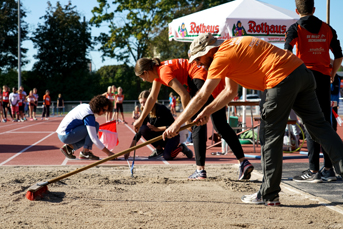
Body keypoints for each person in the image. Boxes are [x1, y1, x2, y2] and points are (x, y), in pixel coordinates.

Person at [162, 33, 343, 206]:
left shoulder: (219, 58)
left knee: (269, 136)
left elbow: (202, 96)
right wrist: (207, 111)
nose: (199, 64)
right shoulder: (232, 47)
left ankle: (268, 194)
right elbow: (229, 92)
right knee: (320, 127)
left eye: (198, 59)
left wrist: (177, 124)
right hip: (301, 72)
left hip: (280, 79)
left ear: (208, 51)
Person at [134, 58, 253, 180]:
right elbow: (152, 98)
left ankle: (200, 170)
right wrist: (140, 119)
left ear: (146, 72)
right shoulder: (158, 73)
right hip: (208, 76)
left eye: (141, 77)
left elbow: (184, 94)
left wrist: (188, 119)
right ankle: (243, 162)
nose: (143, 80)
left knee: (197, 124)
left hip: (198, 77)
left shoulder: (163, 72)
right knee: (220, 125)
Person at [284, 0, 343, 183]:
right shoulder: (327, 28)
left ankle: (313, 170)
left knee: (310, 121)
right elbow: (339, 55)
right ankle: (328, 169)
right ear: (314, 9)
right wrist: (332, 74)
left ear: (296, 10)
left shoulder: (295, 28)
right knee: (325, 122)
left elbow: (286, 51)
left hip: (305, 77)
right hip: (324, 77)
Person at [125, 90, 193, 160]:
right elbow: (139, 133)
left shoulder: (161, 109)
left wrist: (157, 129)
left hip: (171, 136)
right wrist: (129, 151)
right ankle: (159, 149)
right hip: (160, 138)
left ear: (150, 100)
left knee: (167, 156)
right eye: (141, 103)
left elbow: (174, 126)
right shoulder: (145, 113)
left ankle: (182, 147)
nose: (143, 105)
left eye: (145, 102)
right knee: (143, 128)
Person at [56, 95, 115, 160]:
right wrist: (109, 153)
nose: (104, 113)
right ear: (98, 107)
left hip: (63, 133)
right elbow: (93, 138)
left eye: (106, 111)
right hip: (65, 135)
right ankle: (85, 152)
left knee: (94, 127)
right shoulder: (89, 115)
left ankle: (69, 148)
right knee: (93, 132)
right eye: (103, 110)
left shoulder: (85, 106)